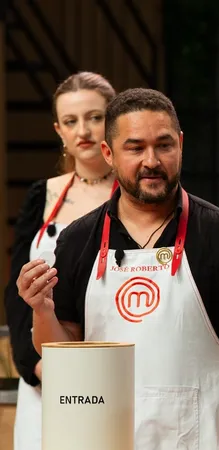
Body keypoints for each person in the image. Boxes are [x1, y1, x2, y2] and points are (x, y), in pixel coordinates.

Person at [16, 88, 219, 448]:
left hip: (211, 436)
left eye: (164, 145)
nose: (152, 160)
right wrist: (41, 309)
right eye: (135, 148)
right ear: (109, 153)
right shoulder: (78, 239)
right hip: (108, 436)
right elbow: (62, 354)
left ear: (180, 145)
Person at [4, 71, 117, 450]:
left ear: (114, 120)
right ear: (59, 130)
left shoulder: (139, 195)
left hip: (115, 365)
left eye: (95, 117)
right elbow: (17, 294)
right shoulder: (42, 196)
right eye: (71, 121)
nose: (83, 129)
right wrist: (36, 368)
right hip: (48, 372)